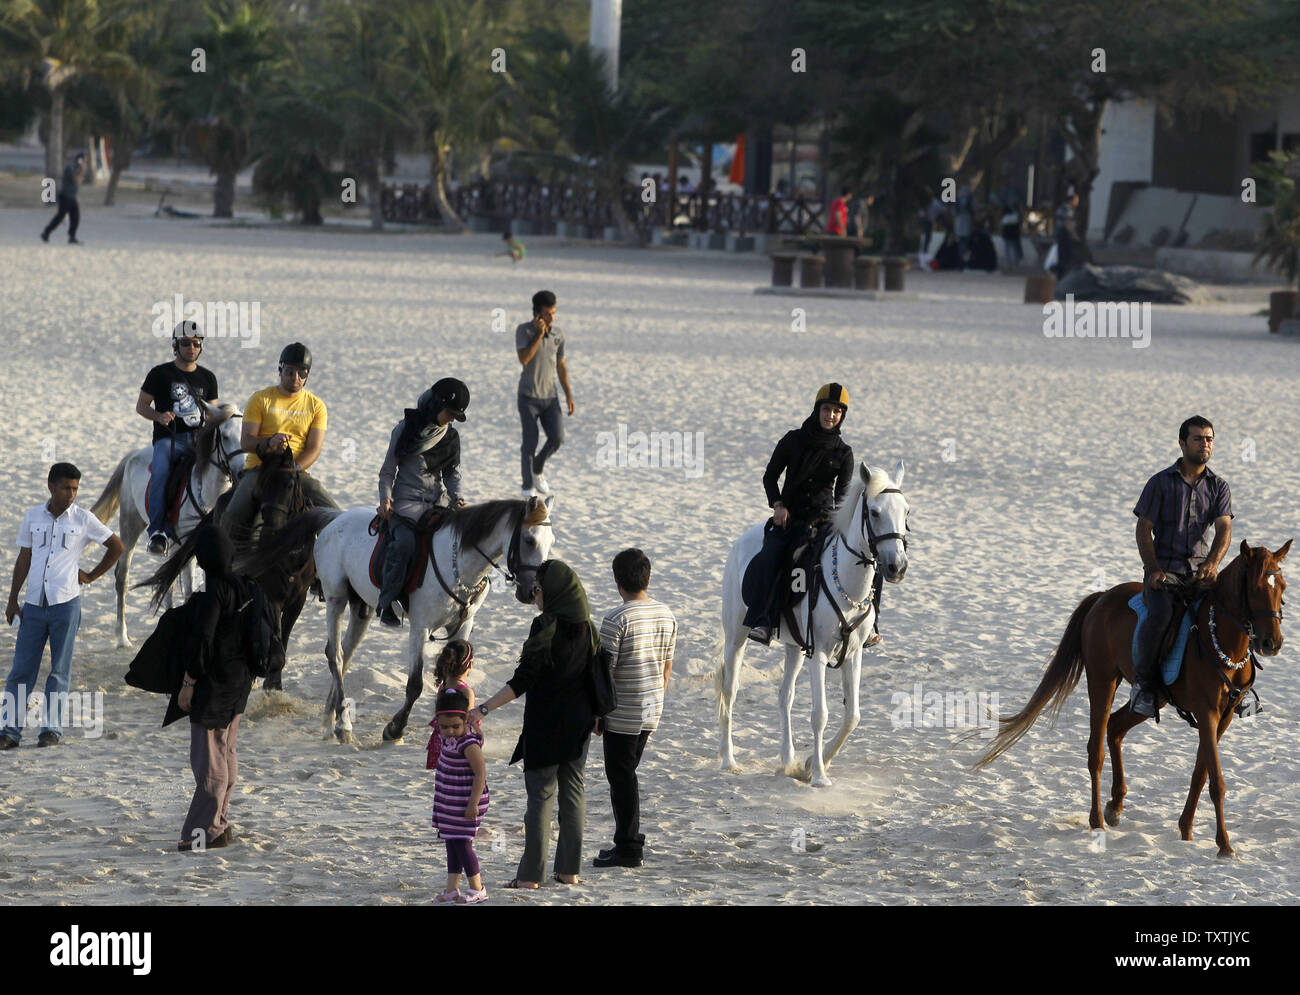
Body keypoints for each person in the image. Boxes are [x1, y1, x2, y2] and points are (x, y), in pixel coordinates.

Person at [474, 559, 599, 890]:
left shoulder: (545, 628)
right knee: (573, 795)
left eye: (539, 589)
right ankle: (569, 872)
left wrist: (483, 708)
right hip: (580, 724)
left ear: (555, 592)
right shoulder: (589, 628)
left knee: (540, 799)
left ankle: (530, 876)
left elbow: (522, 680)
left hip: (546, 726)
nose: (535, 594)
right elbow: (596, 677)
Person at [2, 464, 123, 749]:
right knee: (21, 671)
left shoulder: (84, 519)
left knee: (58, 670)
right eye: (66, 488)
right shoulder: (33, 517)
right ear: (51, 487)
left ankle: (50, 730)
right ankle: (9, 731)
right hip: (32, 605)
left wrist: (91, 575)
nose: (71, 494)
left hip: (66, 605)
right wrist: (12, 599)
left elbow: (117, 546)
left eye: (75, 489)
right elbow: (24, 559)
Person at [743, 384, 866, 646]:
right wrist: (777, 505)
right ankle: (764, 620)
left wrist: (838, 522)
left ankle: (871, 626)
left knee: (867, 560)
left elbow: (842, 497)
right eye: (826, 409)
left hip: (823, 521)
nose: (830, 415)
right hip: (789, 519)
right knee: (769, 559)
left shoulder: (844, 453)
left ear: (842, 416)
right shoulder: (792, 440)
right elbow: (770, 477)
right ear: (817, 409)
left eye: (836, 411)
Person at [1130, 416, 1233, 717]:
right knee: (1161, 614)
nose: (1205, 444)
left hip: (1200, 574)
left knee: (1235, 609)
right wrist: (1153, 570)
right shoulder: (1159, 483)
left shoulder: (1218, 487)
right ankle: (1144, 686)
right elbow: (1142, 529)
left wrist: (1213, 564)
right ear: (1182, 443)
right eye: (1198, 438)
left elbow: (1224, 529)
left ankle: (1242, 685)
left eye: (1210, 438)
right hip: (1165, 574)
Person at [593, 549, 676, 869]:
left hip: (622, 713)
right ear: (648, 577)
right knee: (626, 773)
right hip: (651, 708)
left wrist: (598, 714)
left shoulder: (615, 619)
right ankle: (625, 842)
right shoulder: (667, 614)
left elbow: (605, 674)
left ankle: (629, 847)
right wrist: (657, 703)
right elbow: (667, 667)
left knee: (622, 777)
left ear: (617, 582)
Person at [174, 524, 255, 851]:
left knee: (208, 763)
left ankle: (199, 835)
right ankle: (220, 823)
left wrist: (188, 683)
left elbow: (203, 644)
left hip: (213, 688)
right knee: (227, 752)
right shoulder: (249, 589)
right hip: (239, 687)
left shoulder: (212, 595)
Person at [376, 379, 469, 627]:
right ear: (436, 404)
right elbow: (387, 471)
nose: (450, 419)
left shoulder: (451, 437)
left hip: (438, 504)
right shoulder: (405, 429)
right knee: (404, 543)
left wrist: (458, 498)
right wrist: (385, 499)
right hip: (406, 504)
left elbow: (452, 475)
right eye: (449, 413)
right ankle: (386, 602)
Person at [222, 342, 339, 539]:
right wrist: (268, 442)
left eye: (302, 373)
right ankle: (228, 561)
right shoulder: (260, 399)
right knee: (233, 513)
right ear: (280, 369)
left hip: (295, 470)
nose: (296, 377)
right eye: (290, 371)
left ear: (307, 376)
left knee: (336, 514)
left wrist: (293, 469)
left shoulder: (317, 406)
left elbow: (314, 448)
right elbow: (246, 442)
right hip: (259, 469)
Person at [137, 320, 222, 554]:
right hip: (169, 440)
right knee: (162, 473)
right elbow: (141, 406)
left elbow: (212, 414)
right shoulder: (160, 373)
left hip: (199, 441)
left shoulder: (208, 378)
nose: (191, 348)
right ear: (175, 345)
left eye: (196, 343)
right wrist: (158, 416)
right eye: (186, 343)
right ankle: (158, 531)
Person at [430, 686, 489, 904]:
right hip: (450, 800)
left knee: (463, 843)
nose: (450, 731)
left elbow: (480, 773)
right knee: (451, 841)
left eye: (456, 726)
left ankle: (477, 888)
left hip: (467, 801)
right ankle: (452, 889)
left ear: (466, 721)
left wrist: (473, 804)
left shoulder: (468, 744)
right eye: (444, 727)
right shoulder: (446, 739)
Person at [515, 291, 574, 497]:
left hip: (550, 397)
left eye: (554, 313)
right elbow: (524, 359)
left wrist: (568, 394)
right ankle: (527, 486)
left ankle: (538, 468)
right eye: (547, 313)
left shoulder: (558, 335)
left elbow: (561, 365)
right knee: (530, 442)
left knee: (557, 438)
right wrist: (539, 335)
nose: (551, 318)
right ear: (537, 313)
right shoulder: (524, 331)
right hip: (528, 397)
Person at [40, 153, 86, 245]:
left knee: (75, 218)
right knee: (60, 217)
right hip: (65, 197)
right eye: (84, 160)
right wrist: (83, 170)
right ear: (80, 160)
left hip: (72, 198)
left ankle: (71, 236)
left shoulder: (77, 168)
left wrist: (81, 169)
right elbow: (75, 179)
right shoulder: (70, 167)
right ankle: (46, 232)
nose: (85, 163)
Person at [1054, 186, 1081, 279]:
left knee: (1062, 258)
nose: (1077, 201)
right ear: (1072, 199)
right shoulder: (1067, 209)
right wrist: (1076, 237)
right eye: (1076, 199)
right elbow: (1069, 224)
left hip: (1060, 235)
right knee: (1067, 259)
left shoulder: (1062, 207)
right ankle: (1066, 282)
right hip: (1065, 236)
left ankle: (1060, 279)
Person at [996, 185, 1024, 268]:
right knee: (1013, 246)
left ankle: (1010, 262)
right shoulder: (1014, 207)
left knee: (1009, 247)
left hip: (1009, 229)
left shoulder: (1006, 207)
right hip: (1012, 230)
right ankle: (1014, 262)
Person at [954, 185, 975, 266]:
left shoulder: (958, 200)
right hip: (965, 224)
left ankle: (963, 262)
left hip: (962, 225)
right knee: (966, 244)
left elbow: (954, 212)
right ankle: (965, 262)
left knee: (963, 244)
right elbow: (974, 211)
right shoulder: (970, 200)